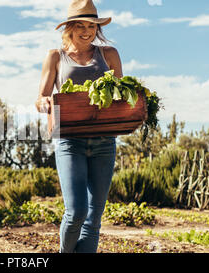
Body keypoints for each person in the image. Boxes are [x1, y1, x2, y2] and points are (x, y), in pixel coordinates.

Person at [34, 0, 123, 253]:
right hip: (69, 140)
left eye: (92, 26)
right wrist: (45, 104)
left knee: (94, 218)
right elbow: (41, 96)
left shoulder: (109, 54)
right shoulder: (55, 57)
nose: (87, 31)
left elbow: (117, 94)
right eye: (80, 25)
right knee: (76, 212)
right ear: (69, 28)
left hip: (104, 141)